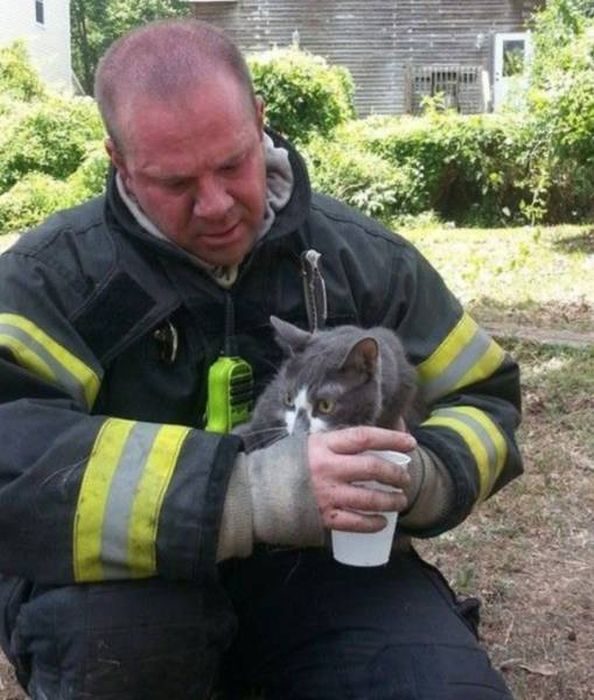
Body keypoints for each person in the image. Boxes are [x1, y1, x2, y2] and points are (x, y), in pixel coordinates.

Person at [0, 19, 522, 700]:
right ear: (118, 161)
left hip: (321, 572)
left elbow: (483, 396)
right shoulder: (53, 279)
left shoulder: (362, 259)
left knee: (438, 686)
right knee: (128, 650)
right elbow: (13, 453)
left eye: (231, 165)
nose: (215, 205)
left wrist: (420, 476)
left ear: (259, 120)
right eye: (175, 182)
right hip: (120, 591)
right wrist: (252, 495)